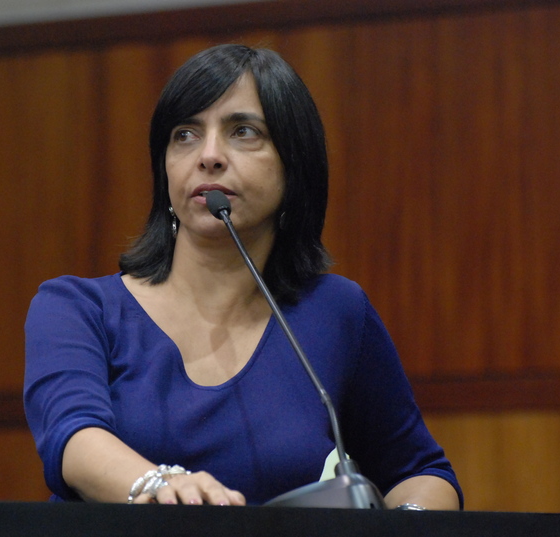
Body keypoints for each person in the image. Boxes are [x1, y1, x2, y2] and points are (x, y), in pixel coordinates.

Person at [24, 44, 463, 509]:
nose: (209, 155)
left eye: (243, 132)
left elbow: (419, 471)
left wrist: (407, 520)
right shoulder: (77, 308)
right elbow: (74, 439)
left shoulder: (335, 313)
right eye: (185, 135)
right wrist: (160, 487)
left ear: (294, 165)